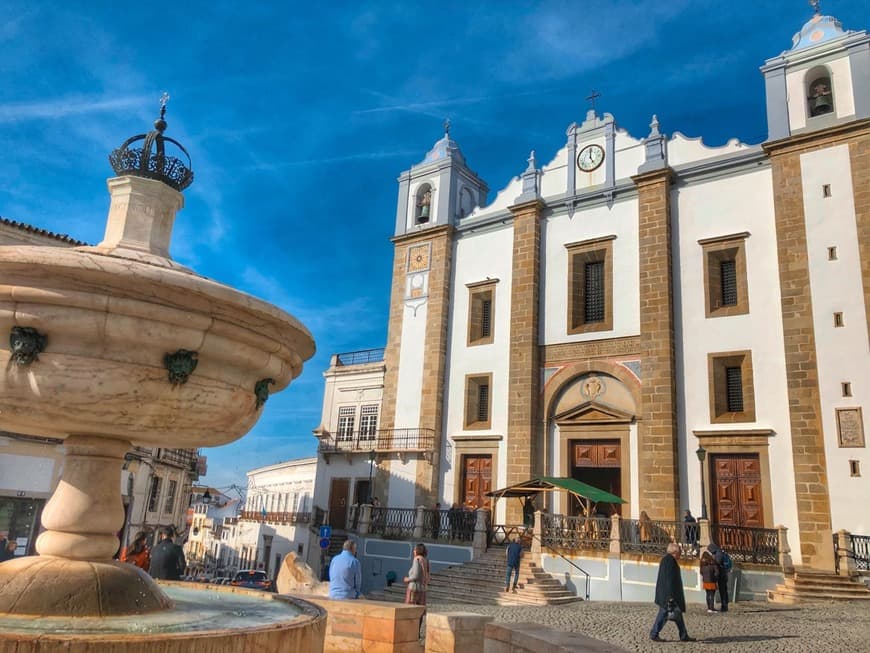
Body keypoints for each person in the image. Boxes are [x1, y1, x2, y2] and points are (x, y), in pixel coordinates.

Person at [650, 542, 696, 643]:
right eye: (679, 552)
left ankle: (683, 635)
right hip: (669, 594)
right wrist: (670, 596)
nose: (680, 554)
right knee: (663, 613)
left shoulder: (666, 559)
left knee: (677, 615)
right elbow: (669, 579)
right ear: (675, 552)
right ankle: (654, 633)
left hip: (667, 593)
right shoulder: (670, 561)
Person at [708, 542, 730, 612]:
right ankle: (725, 605)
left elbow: (718, 562)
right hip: (724, 574)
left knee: (722, 591)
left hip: (721, 574)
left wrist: (712, 561)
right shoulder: (719, 552)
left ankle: (724, 606)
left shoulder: (718, 553)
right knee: (724, 590)